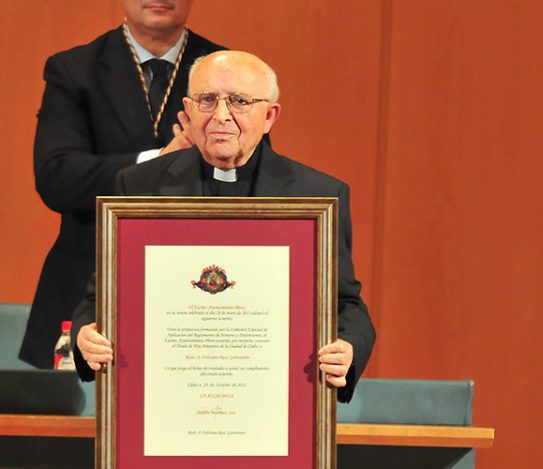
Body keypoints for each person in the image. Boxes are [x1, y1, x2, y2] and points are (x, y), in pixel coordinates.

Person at [72, 51, 376, 402]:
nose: (221, 115)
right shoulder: (139, 186)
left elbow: (346, 303)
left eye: (239, 101)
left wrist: (348, 348)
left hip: (269, 400)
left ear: (269, 116)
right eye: (207, 100)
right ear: (188, 109)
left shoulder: (318, 196)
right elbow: (101, 299)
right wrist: (86, 335)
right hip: (169, 398)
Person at [21, 0, 225, 368]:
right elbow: (58, 178)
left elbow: (255, 182)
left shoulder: (227, 68)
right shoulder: (74, 69)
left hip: (194, 285)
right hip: (89, 277)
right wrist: (158, 162)